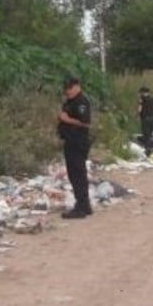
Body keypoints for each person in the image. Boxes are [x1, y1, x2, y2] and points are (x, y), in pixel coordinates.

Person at [57, 76, 93, 219]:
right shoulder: (70, 102)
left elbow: (86, 123)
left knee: (78, 174)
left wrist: (66, 120)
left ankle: (81, 207)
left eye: (70, 88)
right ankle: (85, 205)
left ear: (77, 86)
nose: (67, 91)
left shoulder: (81, 102)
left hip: (78, 141)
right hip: (70, 141)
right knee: (74, 174)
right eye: (66, 88)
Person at [137, 86, 153, 156]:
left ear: (142, 92)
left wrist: (137, 115)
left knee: (146, 135)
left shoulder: (142, 99)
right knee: (150, 134)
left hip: (146, 118)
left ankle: (147, 151)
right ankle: (152, 149)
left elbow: (140, 109)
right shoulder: (152, 99)